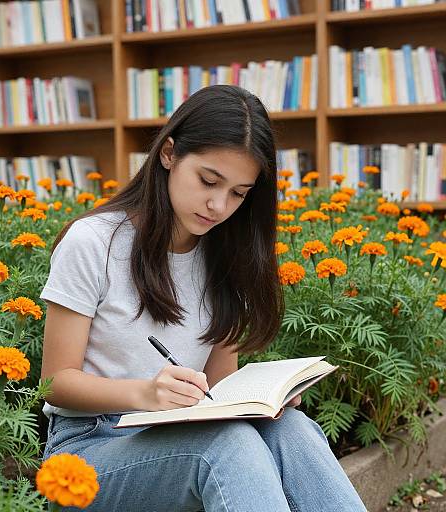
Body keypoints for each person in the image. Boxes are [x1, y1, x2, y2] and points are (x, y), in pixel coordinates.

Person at [40, 84, 367, 511]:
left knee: (294, 431)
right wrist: (145, 394)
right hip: (89, 448)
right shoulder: (94, 242)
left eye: (238, 193)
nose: (218, 205)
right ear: (169, 154)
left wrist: (261, 399)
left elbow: (218, 389)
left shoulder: (224, 256)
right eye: (208, 181)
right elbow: (55, 383)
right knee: (226, 446)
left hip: (179, 432)